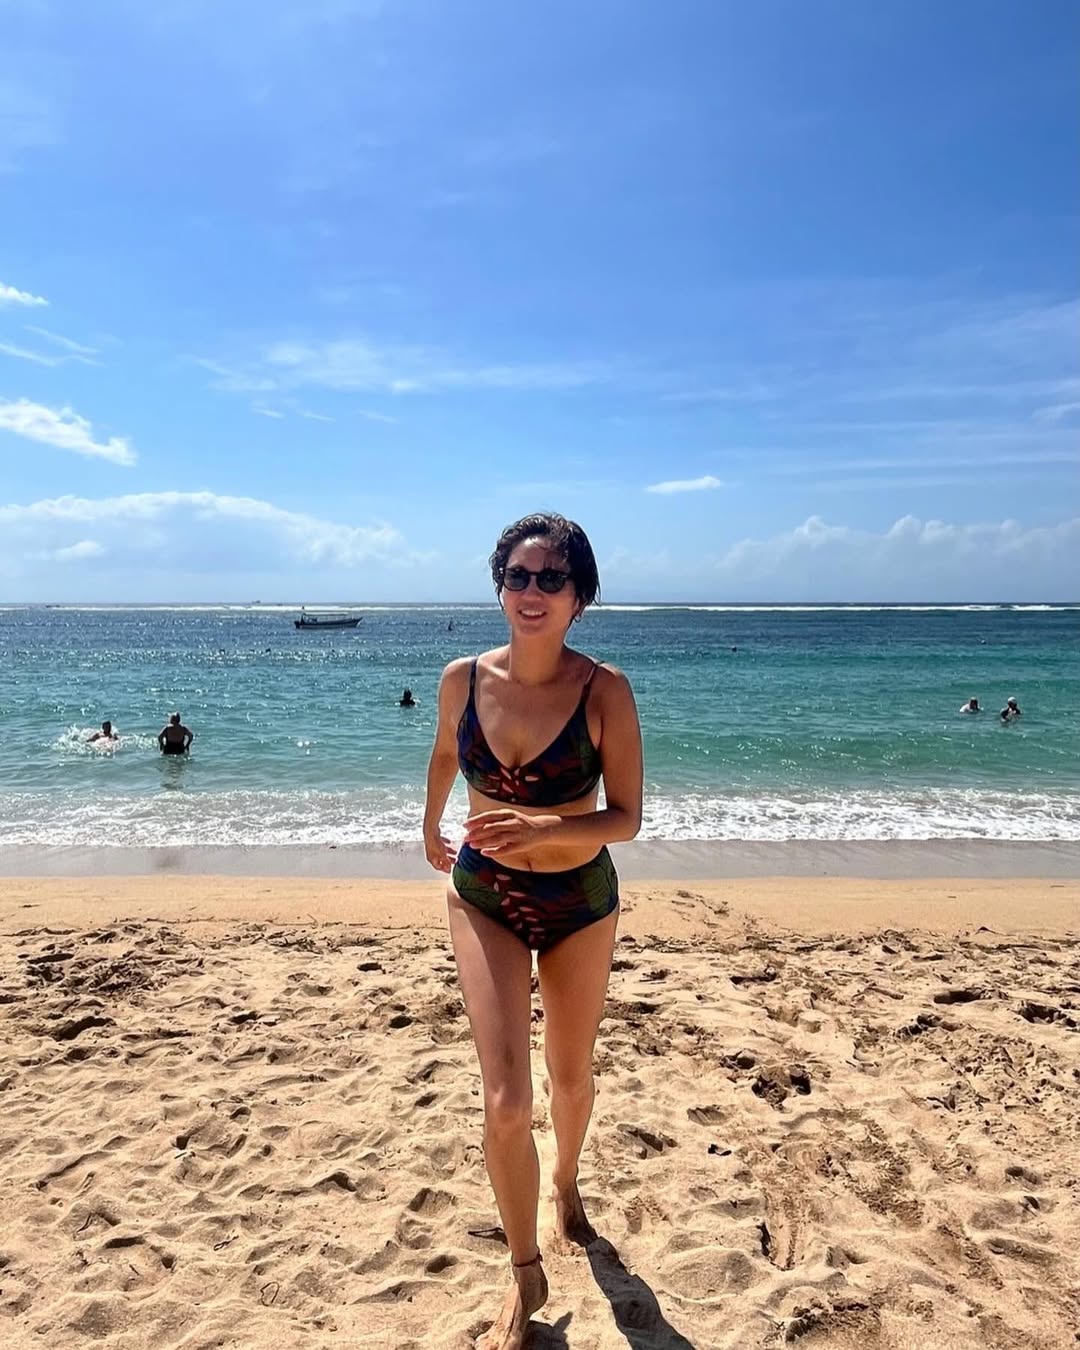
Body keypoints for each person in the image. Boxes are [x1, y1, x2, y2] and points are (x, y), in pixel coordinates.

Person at [423, 513, 643, 1350]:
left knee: (570, 1078)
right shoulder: (461, 678)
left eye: (553, 578)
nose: (533, 591)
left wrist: (545, 823)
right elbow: (446, 753)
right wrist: (430, 822)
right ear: (499, 587)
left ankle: (567, 1181)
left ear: (580, 597)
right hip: (485, 896)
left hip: (580, 900)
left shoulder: (604, 691)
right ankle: (523, 1273)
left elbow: (625, 818)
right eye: (518, 575)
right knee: (507, 1099)